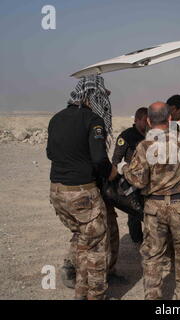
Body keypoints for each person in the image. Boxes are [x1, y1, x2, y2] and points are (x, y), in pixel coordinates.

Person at [118, 101, 180, 300]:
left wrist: (124, 169)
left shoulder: (144, 146)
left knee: (153, 254)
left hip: (154, 206)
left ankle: (153, 296)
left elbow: (138, 180)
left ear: (148, 120)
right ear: (170, 118)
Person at [47, 75, 118, 300]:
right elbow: (98, 158)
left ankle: (81, 292)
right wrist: (111, 172)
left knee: (81, 239)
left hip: (57, 192)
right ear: (92, 96)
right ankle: (96, 296)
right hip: (82, 194)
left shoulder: (56, 118)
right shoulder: (93, 119)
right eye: (101, 95)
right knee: (96, 246)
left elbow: (50, 153)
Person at [111, 107, 148, 244]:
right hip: (131, 181)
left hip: (147, 179)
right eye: (144, 121)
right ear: (136, 120)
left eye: (149, 120)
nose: (147, 123)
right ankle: (137, 239)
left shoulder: (151, 136)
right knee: (134, 212)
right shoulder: (126, 136)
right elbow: (116, 160)